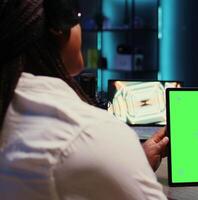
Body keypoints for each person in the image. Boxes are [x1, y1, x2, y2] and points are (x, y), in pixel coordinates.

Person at [0, 0, 168, 199]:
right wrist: (120, 157)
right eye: (77, 17)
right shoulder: (90, 133)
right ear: (58, 29)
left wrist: (129, 166)